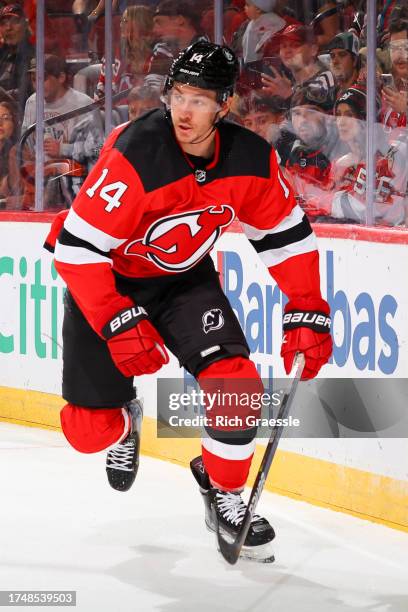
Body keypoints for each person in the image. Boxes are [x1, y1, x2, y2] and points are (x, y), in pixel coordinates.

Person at [44, 41, 332, 562]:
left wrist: (307, 306)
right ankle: (124, 419)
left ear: (224, 105)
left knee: (237, 382)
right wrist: (114, 317)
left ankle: (223, 489)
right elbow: (77, 249)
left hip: (182, 280)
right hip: (108, 280)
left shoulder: (249, 157)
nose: (183, 109)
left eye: (199, 99)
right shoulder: (137, 152)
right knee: (89, 431)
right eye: (178, 94)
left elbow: (285, 236)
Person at [21, 55, 103, 209]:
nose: (36, 85)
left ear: (61, 77)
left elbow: (99, 149)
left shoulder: (83, 104)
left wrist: (63, 149)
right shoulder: (32, 102)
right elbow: (25, 141)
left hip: (78, 178)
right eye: (33, 79)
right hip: (42, 177)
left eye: (42, 78)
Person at [330, 86, 407, 225]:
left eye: (349, 115)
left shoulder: (394, 155)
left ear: (366, 119)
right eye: (338, 115)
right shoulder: (339, 164)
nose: (341, 122)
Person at [94, 5, 154, 101]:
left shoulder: (155, 57)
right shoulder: (113, 53)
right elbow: (101, 86)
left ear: (141, 25)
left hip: (140, 110)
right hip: (113, 112)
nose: (121, 25)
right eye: (121, 21)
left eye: (125, 21)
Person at [0, 3, 34, 116]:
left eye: (14, 22)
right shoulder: (2, 55)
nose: (8, 28)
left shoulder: (35, 56)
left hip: (23, 118)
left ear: (25, 24)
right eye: (3, 23)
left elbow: (31, 95)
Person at [327, 32, 360, 99]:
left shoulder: (364, 92)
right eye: (332, 56)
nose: (335, 61)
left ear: (355, 60)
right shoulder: (330, 94)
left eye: (342, 55)